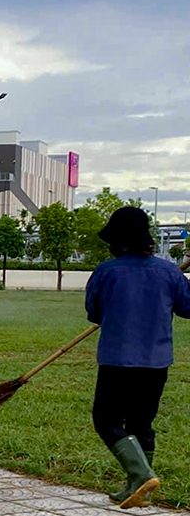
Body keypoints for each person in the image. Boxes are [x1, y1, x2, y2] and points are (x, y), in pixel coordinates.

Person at [85, 207, 190, 509]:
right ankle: (138, 487)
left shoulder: (106, 271)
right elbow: (187, 308)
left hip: (118, 360)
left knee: (106, 421)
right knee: (141, 423)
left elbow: (94, 312)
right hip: (156, 361)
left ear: (117, 241)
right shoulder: (170, 272)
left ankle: (141, 474)